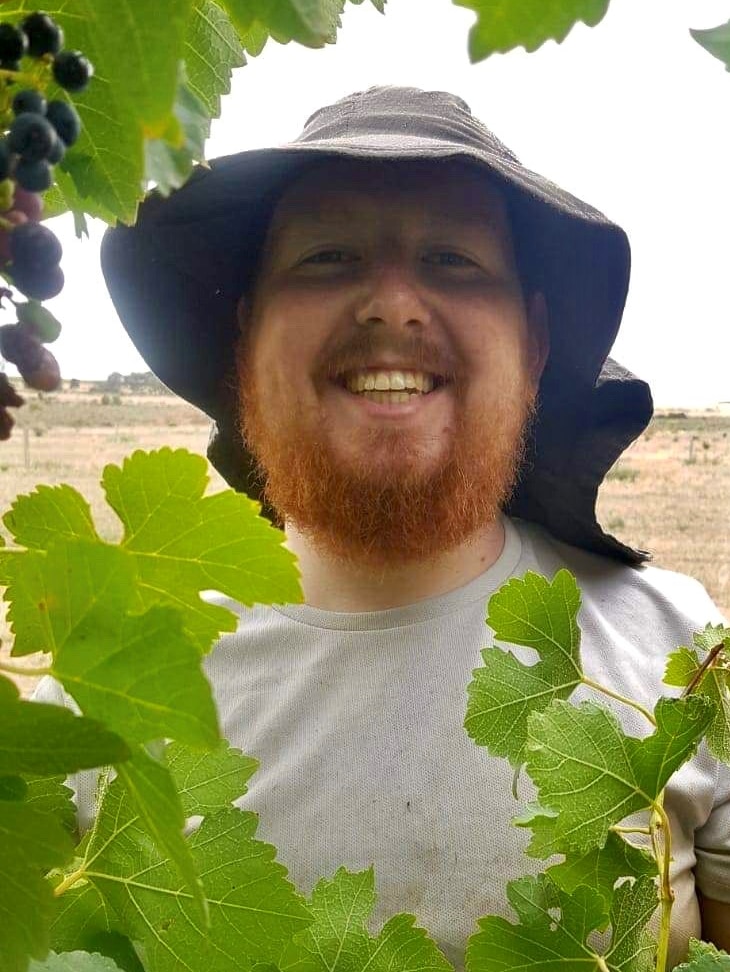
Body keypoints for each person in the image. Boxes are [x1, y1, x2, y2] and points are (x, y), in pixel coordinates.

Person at [80, 86, 730, 964]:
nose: (392, 304)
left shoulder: (692, 665)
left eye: (454, 259)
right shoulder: (102, 697)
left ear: (533, 342)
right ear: (246, 334)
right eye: (329, 255)